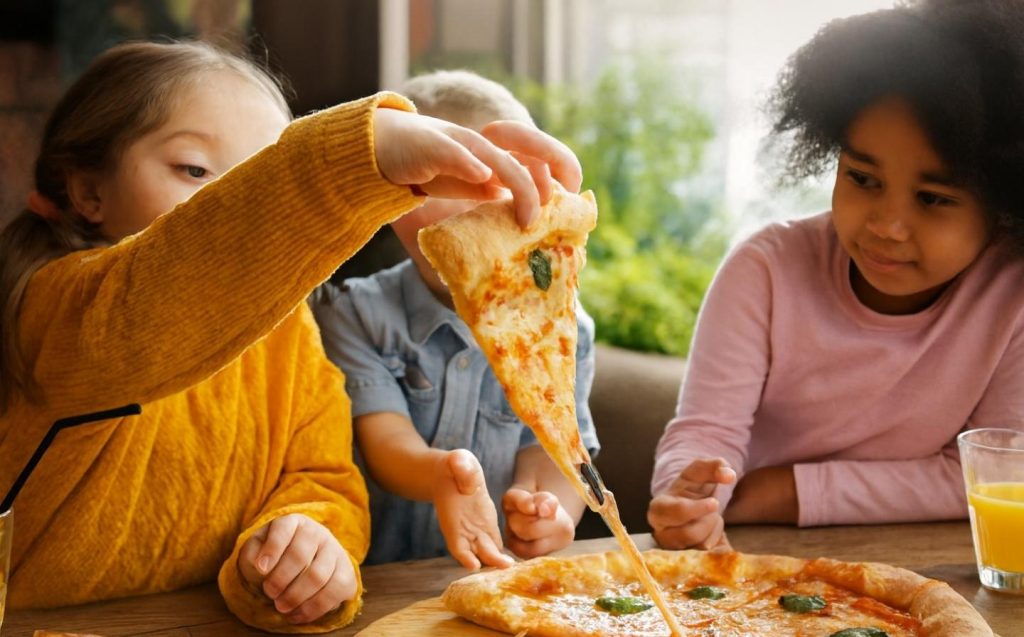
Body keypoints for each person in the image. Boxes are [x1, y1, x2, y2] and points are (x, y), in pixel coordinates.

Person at [0, 42, 581, 632]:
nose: (230, 201)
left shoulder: (290, 334)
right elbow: (154, 298)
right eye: (196, 171)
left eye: (256, 178)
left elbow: (323, 477)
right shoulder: (57, 310)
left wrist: (307, 541)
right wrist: (355, 159)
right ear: (88, 192)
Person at [648, 0, 1024, 550]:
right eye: (863, 178)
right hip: (752, 559)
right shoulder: (765, 271)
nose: (887, 226)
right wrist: (687, 499)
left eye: (933, 198)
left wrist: (781, 492)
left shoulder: (1012, 295)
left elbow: (997, 475)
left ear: (1003, 203)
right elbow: (705, 435)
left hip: (925, 565)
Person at [311, 70, 599, 569]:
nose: (463, 210)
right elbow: (384, 444)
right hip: (379, 575)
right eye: (429, 190)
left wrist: (550, 509)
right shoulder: (356, 311)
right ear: (391, 206)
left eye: (491, 191)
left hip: (496, 579)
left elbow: (555, 449)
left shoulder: (564, 328)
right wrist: (446, 473)